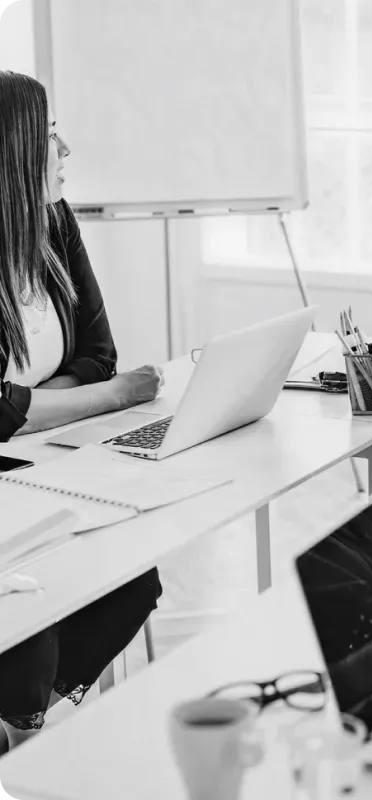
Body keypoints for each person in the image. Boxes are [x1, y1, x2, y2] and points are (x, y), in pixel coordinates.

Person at [0, 71, 162, 749]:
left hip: (42, 452)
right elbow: (109, 381)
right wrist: (116, 397)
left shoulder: (55, 221)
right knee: (41, 596)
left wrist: (33, 407)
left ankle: (19, 725)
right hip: (16, 469)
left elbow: (99, 354)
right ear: (13, 151)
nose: (64, 150)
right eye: (49, 135)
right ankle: (21, 730)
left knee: (134, 575)